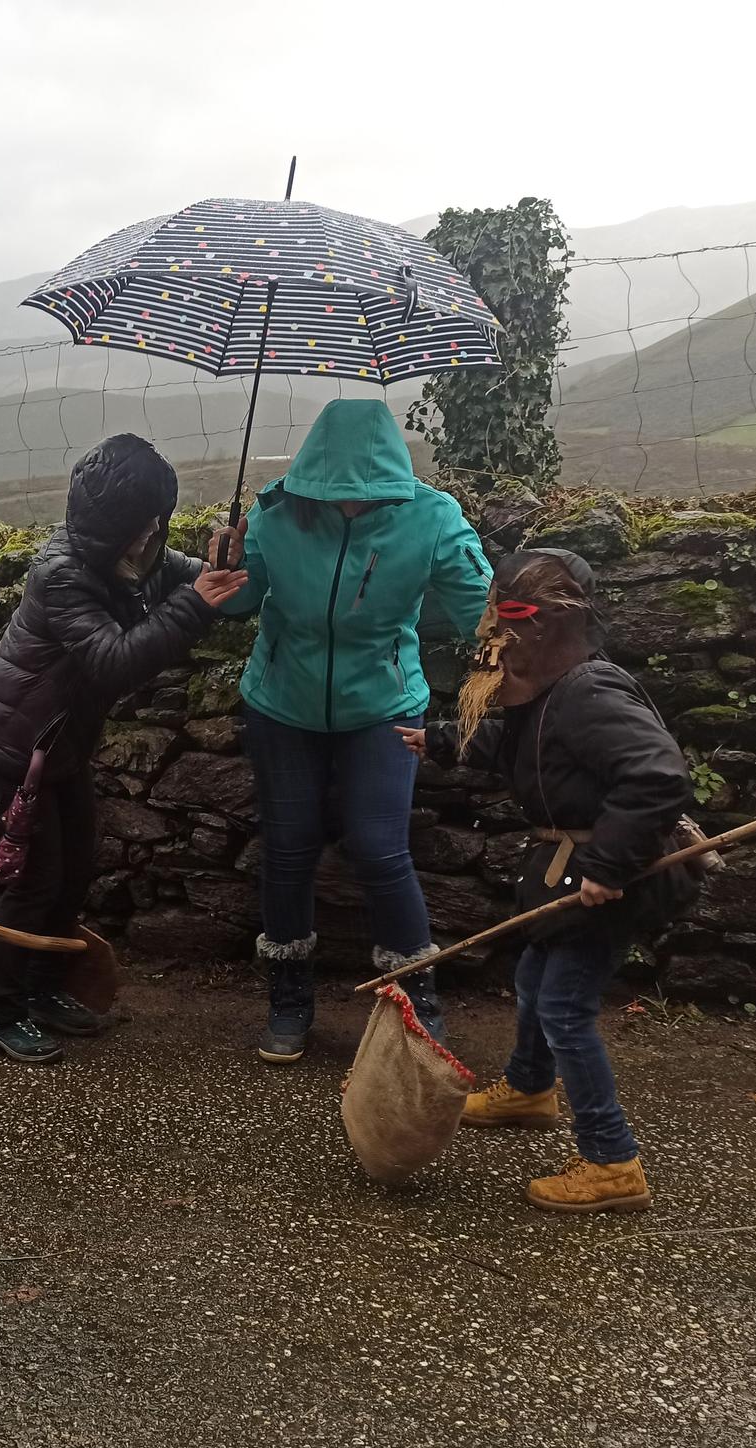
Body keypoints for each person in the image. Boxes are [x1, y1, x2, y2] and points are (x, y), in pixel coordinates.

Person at [400, 548, 695, 1213]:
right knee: (535, 978)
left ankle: (611, 1160)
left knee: (562, 1004)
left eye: (514, 617)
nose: (499, 633)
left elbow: (657, 777)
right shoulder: (553, 694)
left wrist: (607, 866)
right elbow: (528, 747)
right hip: (571, 873)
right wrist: (444, 741)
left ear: (553, 623)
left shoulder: (591, 690)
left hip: (602, 877)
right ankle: (530, 1089)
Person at [0, 435, 248, 1061]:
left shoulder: (135, 559)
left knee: (73, 875)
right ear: (126, 525)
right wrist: (195, 606)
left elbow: (218, 588)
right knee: (36, 883)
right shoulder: (62, 574)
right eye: (146, 525)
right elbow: (113, 663)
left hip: (56, 747)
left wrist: (228, 562)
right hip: (8, 750)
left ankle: (42, 989)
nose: (152, 536)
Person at [220, 398, 491, 1063]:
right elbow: (243, 604)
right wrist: (225, 562)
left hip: (385, 705)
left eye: (364, 497)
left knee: (377, 847)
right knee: (287, 846)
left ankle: (416, 997)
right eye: (334, 494)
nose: (348, 508)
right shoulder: (276, 513)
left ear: (389, 482)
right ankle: (289, 997)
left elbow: (479, 614)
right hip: (282, 703)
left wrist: (520, 635)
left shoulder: (433, 518)